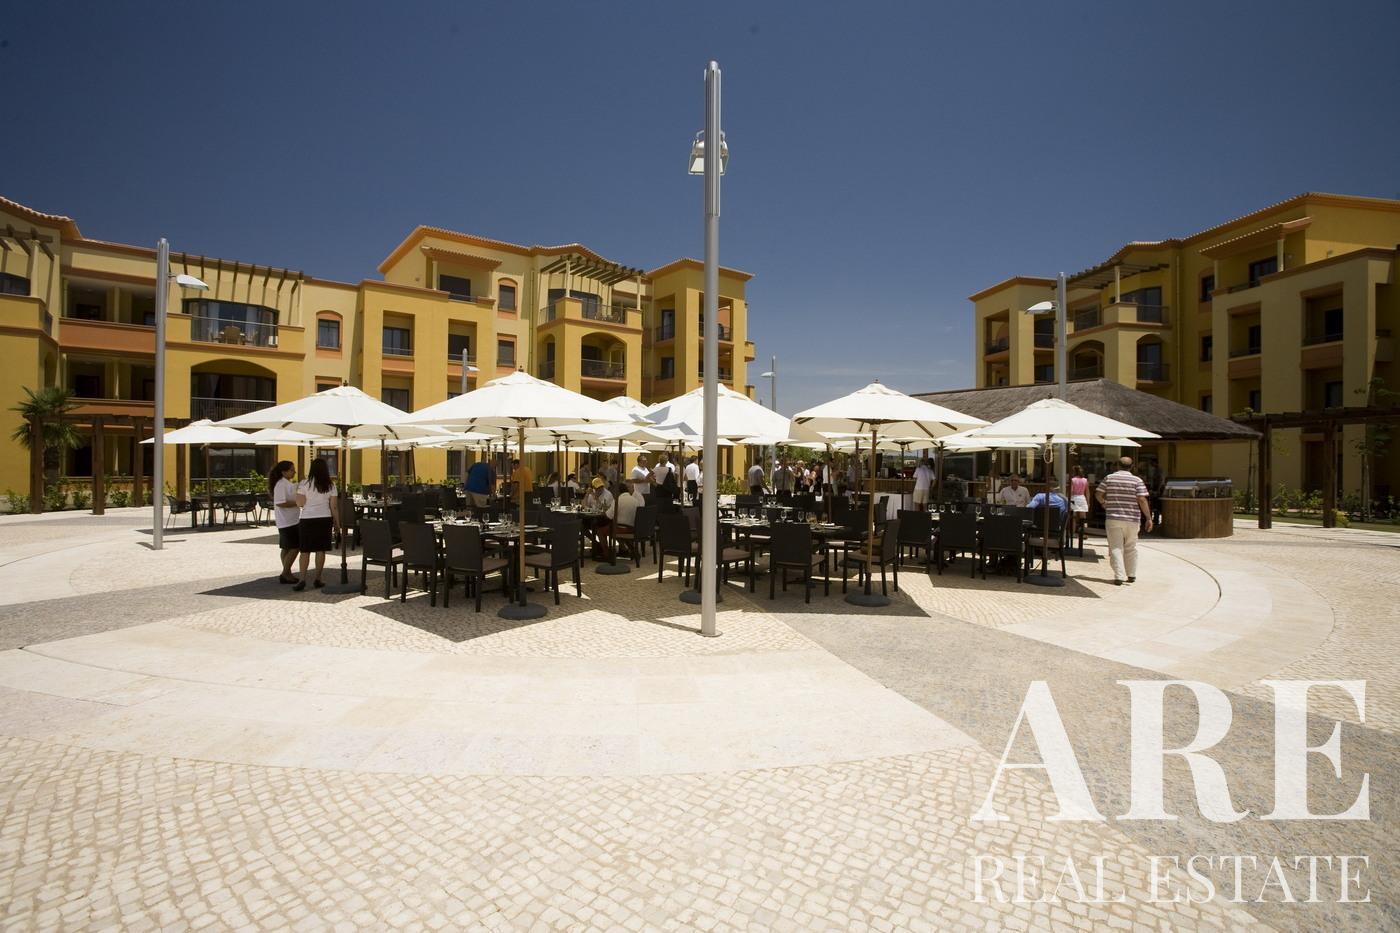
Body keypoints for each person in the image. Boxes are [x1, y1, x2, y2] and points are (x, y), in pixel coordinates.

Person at [1096, 456, 1153, 585]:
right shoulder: (1137, 480)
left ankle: (1119, 576)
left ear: (1117, 465)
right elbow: (1142, 499)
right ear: (1131, 467)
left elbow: (1098, 494)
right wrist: (1149, 518)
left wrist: (1104, 503)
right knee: (1131, 546)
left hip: (1113, 517)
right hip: (1133, 518)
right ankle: (1131, 574)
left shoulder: (1109, 478)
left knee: (1116, 547)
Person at [293, 458, 340, 591]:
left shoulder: (304, 483)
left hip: (307, 519)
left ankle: (302, 579)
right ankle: (318, 579)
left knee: (305, 551)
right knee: (320, 550)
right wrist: (337, 524)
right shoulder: (331, 485)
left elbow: (300, 503)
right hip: (324, 518)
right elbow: (334, 507)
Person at [269, 460, 300, 584]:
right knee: (295, 547)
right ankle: (285, 573)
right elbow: (280, 502)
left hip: (289, 520)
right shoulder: (281, 484)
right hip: (287, 521)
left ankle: (287, 572)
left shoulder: (286, 483)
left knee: (287, 547)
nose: (294, 472)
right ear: (283, 472)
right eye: (292, 470)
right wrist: (297, 503)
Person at [583, 476, 615, 558]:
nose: (600, 489)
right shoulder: (591, 493)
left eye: (601, 487)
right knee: (581, 525)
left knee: (596, 525)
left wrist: (597, 498)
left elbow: (605, 509)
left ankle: (604, 550)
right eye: (597, 488)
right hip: (593, 517)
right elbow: (584, 506)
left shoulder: (608, 494)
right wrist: (586, 495)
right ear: (594, 488)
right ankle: (596, 544)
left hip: (606, 518)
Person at [1068, 465, 1090, 546]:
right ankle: (1083, 533)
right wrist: (1088, 502)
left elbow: (1071, 491)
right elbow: (1087, 492)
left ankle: (1073, 533)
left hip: (1074, 498)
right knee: (1083, 518)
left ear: (1074, 472)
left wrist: (1069, 500)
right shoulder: (1085, 480)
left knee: (1073, 517)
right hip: (1082, 498)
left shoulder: (1072, 480)